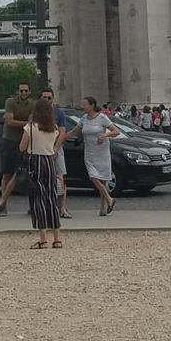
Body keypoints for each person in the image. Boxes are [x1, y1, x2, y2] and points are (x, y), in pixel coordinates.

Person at [19, 96, 64, 249]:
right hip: (50, 161)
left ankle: (43, 238)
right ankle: (57, 238)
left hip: (35, 161)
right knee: (51, 197)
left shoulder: (30, 127)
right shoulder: (54, 128)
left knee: (38, 198)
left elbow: (22, 147)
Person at [63, 97, 119, 216]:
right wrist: (61, 137)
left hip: (102, 151)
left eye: (85, 104)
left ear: (92, 105)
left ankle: (103, 208)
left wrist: (105, 135)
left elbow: (116, 131)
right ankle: (109, 199)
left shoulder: (102, 117)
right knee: (93, 176)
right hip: (89, 152)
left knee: (103, 179)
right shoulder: (83, 119)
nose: (83, 107)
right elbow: (74, 131)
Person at [0, 82, 36, 217]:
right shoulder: (10, 102)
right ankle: (3, 206)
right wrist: (26, 123)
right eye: (21, 91)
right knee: (7, 173)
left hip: (25, 142)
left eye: (26, 90)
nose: (24, 93)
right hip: (9, 141)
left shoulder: (33, 104)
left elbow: (15, 121)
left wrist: (17, 122)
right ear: (17, 91)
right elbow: (10, 121)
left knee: (27, 174)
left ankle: (32, 206)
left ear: (29, 91)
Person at [39, 87, 71, 219]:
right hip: (41, 149)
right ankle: (44, 206)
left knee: (60, 178)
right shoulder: (37, 113)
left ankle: (62, 208)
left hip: (56, 149)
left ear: (53, 99)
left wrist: (56, 148)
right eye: (44, 98)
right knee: (42, 179)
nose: (47, 100)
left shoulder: (58, 113)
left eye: (49, 98)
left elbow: (62, 132)